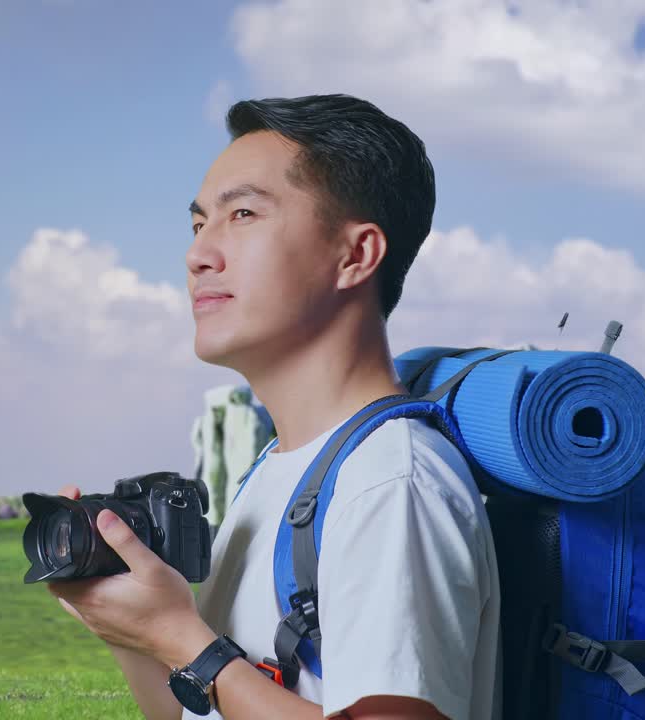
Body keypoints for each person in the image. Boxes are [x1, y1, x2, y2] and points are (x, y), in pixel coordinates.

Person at [47, 94, 502, 720]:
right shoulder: (278, 471)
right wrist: (135, 629)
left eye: (243, 214)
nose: (198, 253)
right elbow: (197, 712)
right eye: (199, 223)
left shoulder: (391, 483)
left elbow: (207, 666)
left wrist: (184, 638)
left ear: (356, 256)